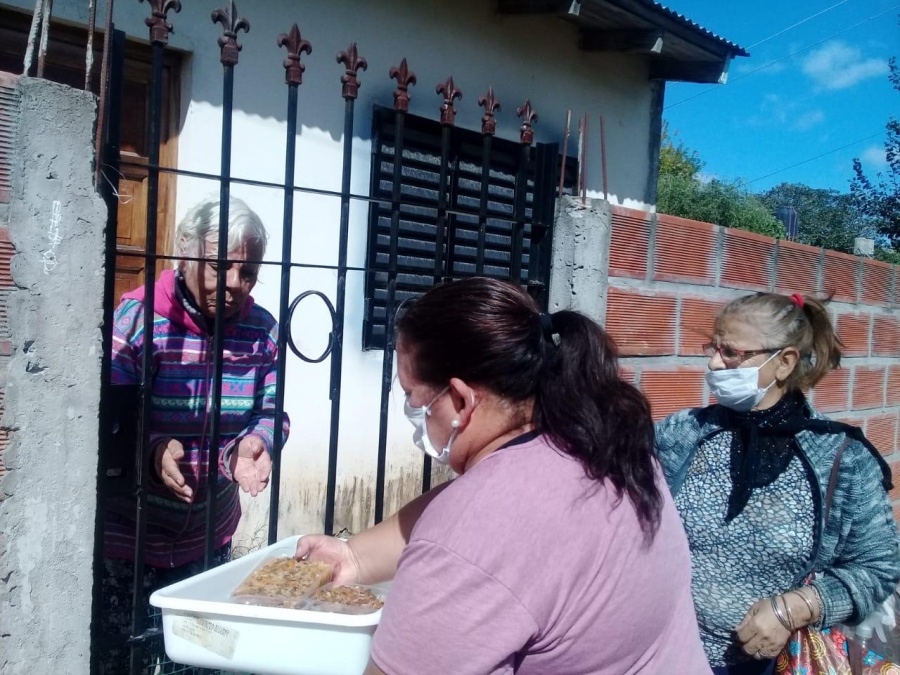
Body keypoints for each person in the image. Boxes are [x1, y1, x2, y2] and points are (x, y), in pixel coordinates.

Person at [298, 277, 711, 674]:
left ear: (460, 400)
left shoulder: (470, 537)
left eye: (411, 395)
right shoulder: (611, 450)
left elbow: (471, 538)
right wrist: (353, 557)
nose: (411, 410)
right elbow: (476, 512)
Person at [655, 291, 900, 675]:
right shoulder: (682, 433)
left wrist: (798, 607)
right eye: (713, 348)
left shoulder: (842, 458)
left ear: (784, 362)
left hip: (773, 664)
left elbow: (879, 566)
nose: (714, 362)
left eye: (731, 352)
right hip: (667, 654)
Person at [99, 196, 289, 672]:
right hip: (128, 540)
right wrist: (151, 450)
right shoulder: (137, 319)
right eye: (219, 266)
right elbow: (107, 421)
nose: (234, 285)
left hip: (209, 538)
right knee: (120, 661)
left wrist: (255, 443)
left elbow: (271, 412)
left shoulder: (262, 332)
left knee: (198, 661)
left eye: (248, 273)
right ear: (184, 251)